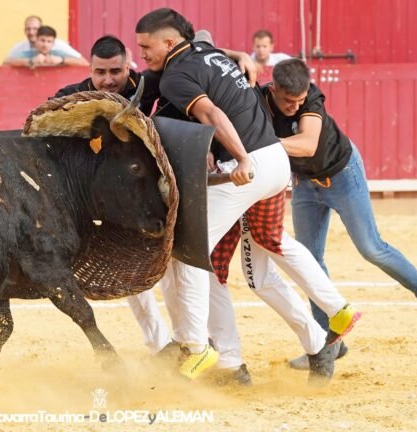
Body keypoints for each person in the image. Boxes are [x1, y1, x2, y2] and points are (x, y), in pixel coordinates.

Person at [135, 8, 358, 384]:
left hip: (241, 171)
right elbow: (213, 58)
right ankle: (326, 327)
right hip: (272, 163)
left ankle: (197, 345)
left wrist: (238, 158)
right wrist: (238, 56)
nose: (141, 55)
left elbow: (211, 116)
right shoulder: (216, 56)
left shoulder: (174, 77)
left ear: (170, 42)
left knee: (192, 252)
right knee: (262, 267)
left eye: (145, 47)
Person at [258, 58, 417, 369]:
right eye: (288, 100)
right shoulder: (260, 100)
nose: (295, 106)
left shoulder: (311, 96)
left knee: (371, 248)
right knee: (309, 262)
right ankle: (328, 342)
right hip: (305, 184)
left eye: (299, 100)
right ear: (274, 89)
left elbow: (309, 144)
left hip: (341, 174)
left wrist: (265, 144)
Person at [4, 15, 86, 65]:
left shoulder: (59, 45)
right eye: (28, 29)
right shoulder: (21, 47)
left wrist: (61, 60)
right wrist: (30, 61)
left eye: (35, 29)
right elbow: (6, 63)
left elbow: (84, 62)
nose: (32, 32)